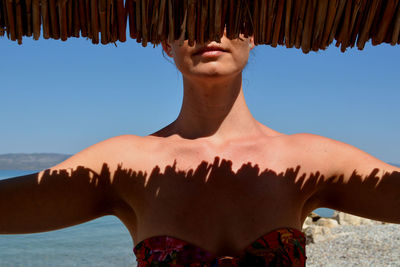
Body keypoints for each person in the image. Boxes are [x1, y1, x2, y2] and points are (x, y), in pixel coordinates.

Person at [0, 29, 399, 267]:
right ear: (163, 40)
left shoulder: (309, 161)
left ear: (253, 33)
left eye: (228, 15)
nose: (210, 31)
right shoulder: (125, 164)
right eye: (188, 17)